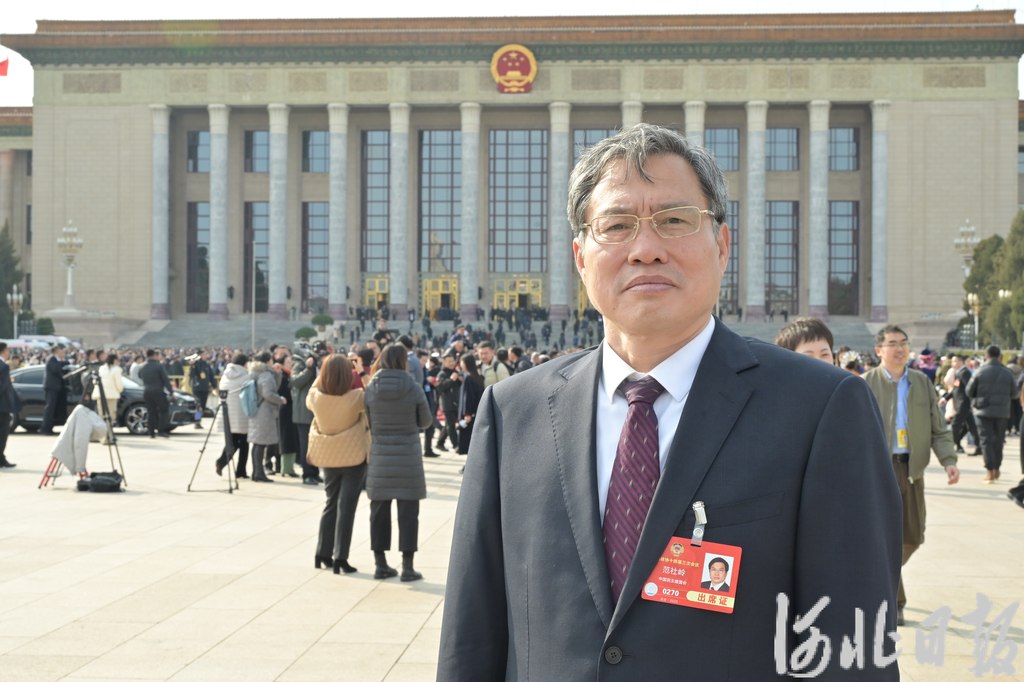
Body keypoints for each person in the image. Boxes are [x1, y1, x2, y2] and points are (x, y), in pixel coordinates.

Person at [438, 123, 901, 680]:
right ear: (581, 258)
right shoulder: (514, 413)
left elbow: (851, 650)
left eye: (675, 220)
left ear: (722, 245)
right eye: (617, 225)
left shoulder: (819, 409)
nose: (646, 250)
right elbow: (472, 638)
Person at [863, 325, 958, 627]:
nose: (900, 349)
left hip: (912, 470)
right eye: (892, 343)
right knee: (885, 536)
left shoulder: (921, 382)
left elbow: (938, 427)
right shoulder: (865, 384)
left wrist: (949, 460)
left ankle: (880, 575)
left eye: (903, 343)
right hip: (879, 469)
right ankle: (895, 601)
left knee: (913, 536)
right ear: (879, 350)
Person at [362, 344, 432, 581]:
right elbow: (426, 421)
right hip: (408, 455)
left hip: (381, 455)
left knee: (378, 511)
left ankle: (380, 564)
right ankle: (408, 566)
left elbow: (369, 421)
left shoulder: (371, 387)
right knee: (409, 513)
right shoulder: (412, 387)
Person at [307, 354, 367, 574]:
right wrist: (361, 372)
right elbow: (373, 395)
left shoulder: (316, 398)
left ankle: (322, 553)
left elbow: (312, 389)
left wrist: (324, 372)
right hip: (352, 454)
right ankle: (341, 556)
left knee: (330, 502)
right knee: (347, 507)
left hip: (328, 455)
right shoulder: (356, 396)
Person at [966, 344, 1016, 483]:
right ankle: (997, 468)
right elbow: (1014, 393)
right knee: (999, 441)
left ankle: (990, 470)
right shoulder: (1007, 373)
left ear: (986, 356)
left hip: (982, 411)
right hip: (1002, 412)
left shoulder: (979, 371)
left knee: (986, 441)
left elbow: (969, 391)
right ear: (1000, 356)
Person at [247, 351, 286, 483]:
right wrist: (280, 400)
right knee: (261, 444)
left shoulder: (254, 372)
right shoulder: (265, 374)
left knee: (257, 443)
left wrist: (277, 374)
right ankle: (259, 473)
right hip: (264, 411)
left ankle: (256, 472)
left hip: (256, 409)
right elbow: (268, 393)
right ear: (268, 361)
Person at [215, 353, 251, 478]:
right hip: (241, 415)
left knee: (232, 441)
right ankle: (239, 470)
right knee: (244, 443)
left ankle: (222, 462)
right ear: (244, 363)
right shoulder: (245, 376)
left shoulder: (225, 375)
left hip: (226, 414)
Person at [950, 353, 981, 455]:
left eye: (955, 361)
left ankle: (953, 444)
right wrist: (945, 398)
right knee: (971, 426)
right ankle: (978, 446)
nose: (952, 363)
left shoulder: (964, 373)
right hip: (961, 403)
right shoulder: (958, 372)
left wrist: (972, 402)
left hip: (963, 404)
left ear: (960, 362)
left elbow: (969, 389)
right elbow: (955, 389)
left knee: (955, 425)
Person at [455, 352, 484, 457]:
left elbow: (468, 397)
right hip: (476, 412)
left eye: (462, 362)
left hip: (469, 414)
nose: (460, 365)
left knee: (468, 441)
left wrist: (467, 413)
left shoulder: (469, 378)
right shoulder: (478, 377)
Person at [138, 348, 172, 438]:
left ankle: (151, 432)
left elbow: (139, 375)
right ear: (154, 355)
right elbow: (165, 379)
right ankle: (161, 430)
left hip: (147, 391)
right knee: (164, 410)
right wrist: (171, 391)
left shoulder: (142, 366)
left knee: (151, 412)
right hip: (158, 391)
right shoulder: (159, 366)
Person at [92, 352, 124, 444]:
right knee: (110, 416)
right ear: (114, 360)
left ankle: (103, 437)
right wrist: (120, 390)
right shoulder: (117, 369)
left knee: (102, 416)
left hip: (100, 394)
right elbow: (119, 384)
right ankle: (108, 437)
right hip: (111, 395)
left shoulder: (101, 368)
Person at [40, 344, 68, 434]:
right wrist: (62, 361)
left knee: (53, 408)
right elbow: (56, 370)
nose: (63, 353)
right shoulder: (51, 359)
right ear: (57, 351)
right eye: (61, 351)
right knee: (49, 408)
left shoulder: (56, 360)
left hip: (56, 387)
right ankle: (45, 428)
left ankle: (49, 427)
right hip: (51, 387)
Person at [0, 342, 20, 468]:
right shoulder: (3, 366)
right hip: (2, 406)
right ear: (3, 351)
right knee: (2, 434)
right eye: (7, 350)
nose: (9, 352)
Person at [189, 351, 214, 430]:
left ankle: (199, 420)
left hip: (205, 388)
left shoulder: (206, 365)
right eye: (204, 354)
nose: (205, 356)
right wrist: (192, 366)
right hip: (197, 389)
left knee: (202, 406)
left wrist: (215, 386)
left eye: (206, 354)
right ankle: (197, 421)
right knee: (198, 406)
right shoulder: (195, 364)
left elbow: (211, 376)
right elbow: (191, 375)